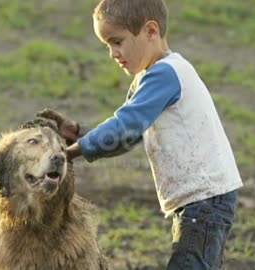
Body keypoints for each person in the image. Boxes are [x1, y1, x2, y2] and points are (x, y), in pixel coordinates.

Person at [39, 0, 243, 269]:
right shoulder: (152, 76)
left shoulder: (166, 73)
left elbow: (126, 125)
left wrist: (69, 153)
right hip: (203, 199)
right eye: (107, 45)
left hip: (204, 199)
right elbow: (128, 135)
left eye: (117, 41)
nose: (113, 53)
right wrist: (79, 133)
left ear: (150, 31)